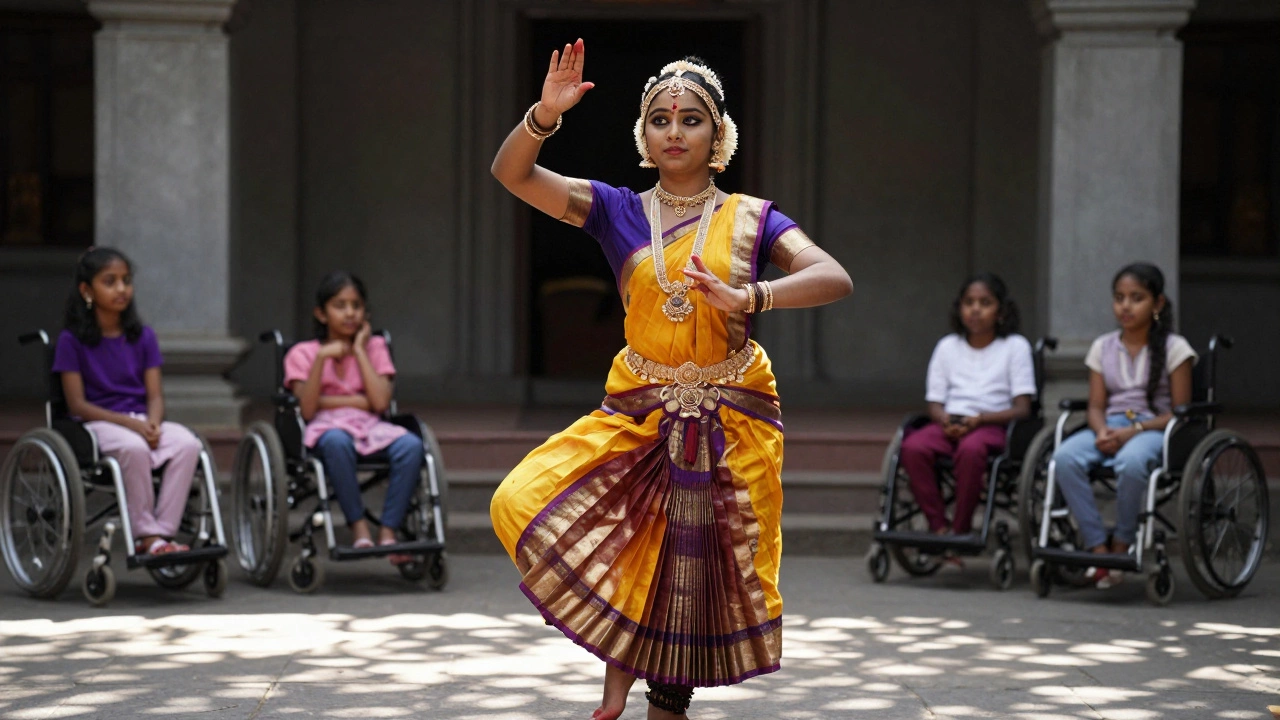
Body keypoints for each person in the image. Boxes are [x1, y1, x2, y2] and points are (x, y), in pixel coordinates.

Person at [489, 41, 853, 719]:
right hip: (642, 409)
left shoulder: (753, 218)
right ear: (644, 135)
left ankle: (661, 702)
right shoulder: (615, 209)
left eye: (691, 120)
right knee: (528, 502)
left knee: (689, 573)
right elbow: (512, 173)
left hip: (729, 416)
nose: (675, 131)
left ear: (718, 136)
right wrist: (544, 116)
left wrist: (751, 297)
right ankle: (617, 667)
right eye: (660, 119)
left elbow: (833, 276)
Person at [1052, 263, 1196, 589]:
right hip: (1111, 424)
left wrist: (1135, 431)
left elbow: (1181, 413)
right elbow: (1095, 405)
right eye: (1119, 298)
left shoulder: (1175, 348)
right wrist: (1101, 430)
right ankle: (1098, 550)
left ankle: (1121, 543)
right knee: (1064, 458)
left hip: (1156, 428)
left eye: (1136, 298)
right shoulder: (1103, 347)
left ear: (1158, 303)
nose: (1125, 306)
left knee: (1131, 462)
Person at [53, 247, 204, 557]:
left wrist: (153, 423)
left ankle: (163, 533)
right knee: (133, 448)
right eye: (110, 281)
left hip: (140, 419)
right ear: (87, 290)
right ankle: (147, 536)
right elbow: (77, 405)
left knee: (188, 444)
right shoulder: (71, 341)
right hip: (97, 423)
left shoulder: (143, 337)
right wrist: (131, 425)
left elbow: (155, 395)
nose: (121, 289)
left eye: (126, 280)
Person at [283, 271, 422, 563]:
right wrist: (323, 359)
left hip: (371, 427)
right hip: (325, 429)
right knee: (337, 442)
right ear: (321, 314)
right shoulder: (302, 354)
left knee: (411, 445)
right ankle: (358, 527)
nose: (350, 313)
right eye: (340, 305)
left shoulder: (375, 348)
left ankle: (388, 532)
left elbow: (380, 402)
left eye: (356, 305)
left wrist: (359, 350)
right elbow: (307, 410)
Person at [899, 273, 1035, 552]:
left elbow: (1023, 408)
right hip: (951, 421)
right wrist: (945, 420)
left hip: (993, 424)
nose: (975, 309)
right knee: (912, 447)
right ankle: (939, 527)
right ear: (959, 308)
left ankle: (960, 531)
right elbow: (935, 403)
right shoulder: (947, 347)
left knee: (971, 450)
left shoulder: (1015, 347)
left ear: (1001, 311)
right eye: (969, 302)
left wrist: (980, 419)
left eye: (985, 303)